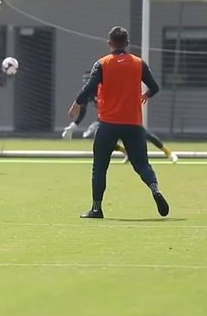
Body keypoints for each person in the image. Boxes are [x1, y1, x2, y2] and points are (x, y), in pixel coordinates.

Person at [68, 27, 169, 219]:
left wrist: (77, 103)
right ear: (127, 43)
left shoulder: (102, 64)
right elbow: (154, 87)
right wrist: (146, 94)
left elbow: (89, 87)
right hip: (133, 123)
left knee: (99, 166)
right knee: (142, 164)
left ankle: (96, 209)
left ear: (110, 44)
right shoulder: (139, 63)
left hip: (108, 124)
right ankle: (155, 189)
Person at [62, 92, 178, 164]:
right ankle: (127, 153)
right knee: (104, 140)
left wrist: (98, 122)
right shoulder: (89, 94)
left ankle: (168, 153)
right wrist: (74, 125)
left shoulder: (105, 87)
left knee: (144, 134)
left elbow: (115, 105)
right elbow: (83, 109)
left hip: (124, 115)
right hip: (110, 119)